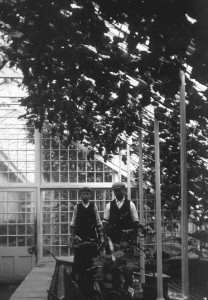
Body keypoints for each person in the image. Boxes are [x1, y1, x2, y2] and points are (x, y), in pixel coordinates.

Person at [70, 187, 103, 296]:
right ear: (80, 196)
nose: (85, 196)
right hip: (80, 239)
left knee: (91, 262)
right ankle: (81, 287)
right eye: (83, 194)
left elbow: (98, 222)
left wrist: (100, 237)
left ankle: (90, 286)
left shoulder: (94, 207)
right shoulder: (77, 207)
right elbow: (73, 223)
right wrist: (73, 237)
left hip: (92, 239)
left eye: (87, 194)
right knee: (80, 263)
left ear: (90, 195)